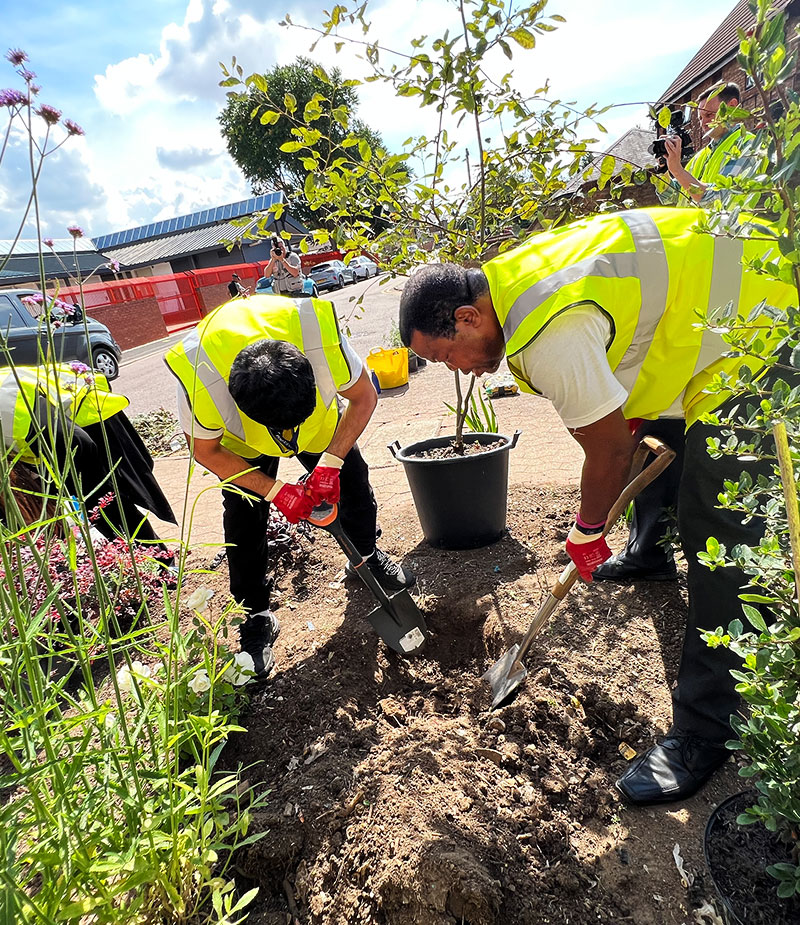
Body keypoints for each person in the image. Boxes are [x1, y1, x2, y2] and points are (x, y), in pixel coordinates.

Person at [398, 206, 797, 805]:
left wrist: (587, 532)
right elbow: (627, 355)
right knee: (657, 438)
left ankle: (707, 733)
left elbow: (607, 451)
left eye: (446, 354)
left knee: (720, 528)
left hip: (754, 324)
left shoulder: (545, 330)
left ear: (467, 316)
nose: (454, 368)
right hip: (702, 316)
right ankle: (649, 554)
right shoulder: (511, 281)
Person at [164, 293, 414, 677]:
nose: (286, 437)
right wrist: (275, 490)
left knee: (354, 482)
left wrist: (331, 463)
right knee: (244, 520)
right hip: (241, 443)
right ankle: (255, 613)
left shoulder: (316, 331)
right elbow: (206, 452)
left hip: (319, 427)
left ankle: (365, 554)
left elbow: (363, 397)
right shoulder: (199, 373)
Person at [597, 82, 756, 583]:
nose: (701, 123)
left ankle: (655, 551)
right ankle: (653, 547)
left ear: (736, 110)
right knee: (664, 429)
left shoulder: (749, 153)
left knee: (671, 427)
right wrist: (675, 174)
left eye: (709, 114)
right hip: (691, 302)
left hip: (721, 306)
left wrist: (681, 173)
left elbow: (730, 214)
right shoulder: (710, 155)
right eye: (699, 114)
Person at [0, 363, 176, 566]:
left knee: (106, 508)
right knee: (103, 508)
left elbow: (78, 442)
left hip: (90, 424)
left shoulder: (9, 413)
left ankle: (160, 569)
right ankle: (151, 566)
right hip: (68, 424)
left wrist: (76, 490)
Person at [659, 82, 752, 207]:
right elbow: (671, 196)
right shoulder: (700, 156)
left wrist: (678, 171)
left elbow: (717, 199)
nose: (703, 123)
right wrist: (663, 169)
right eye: (700, 118)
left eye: (709, 114)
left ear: (732, 107)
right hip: (695, 226)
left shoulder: (748, 145)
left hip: (729, 227)